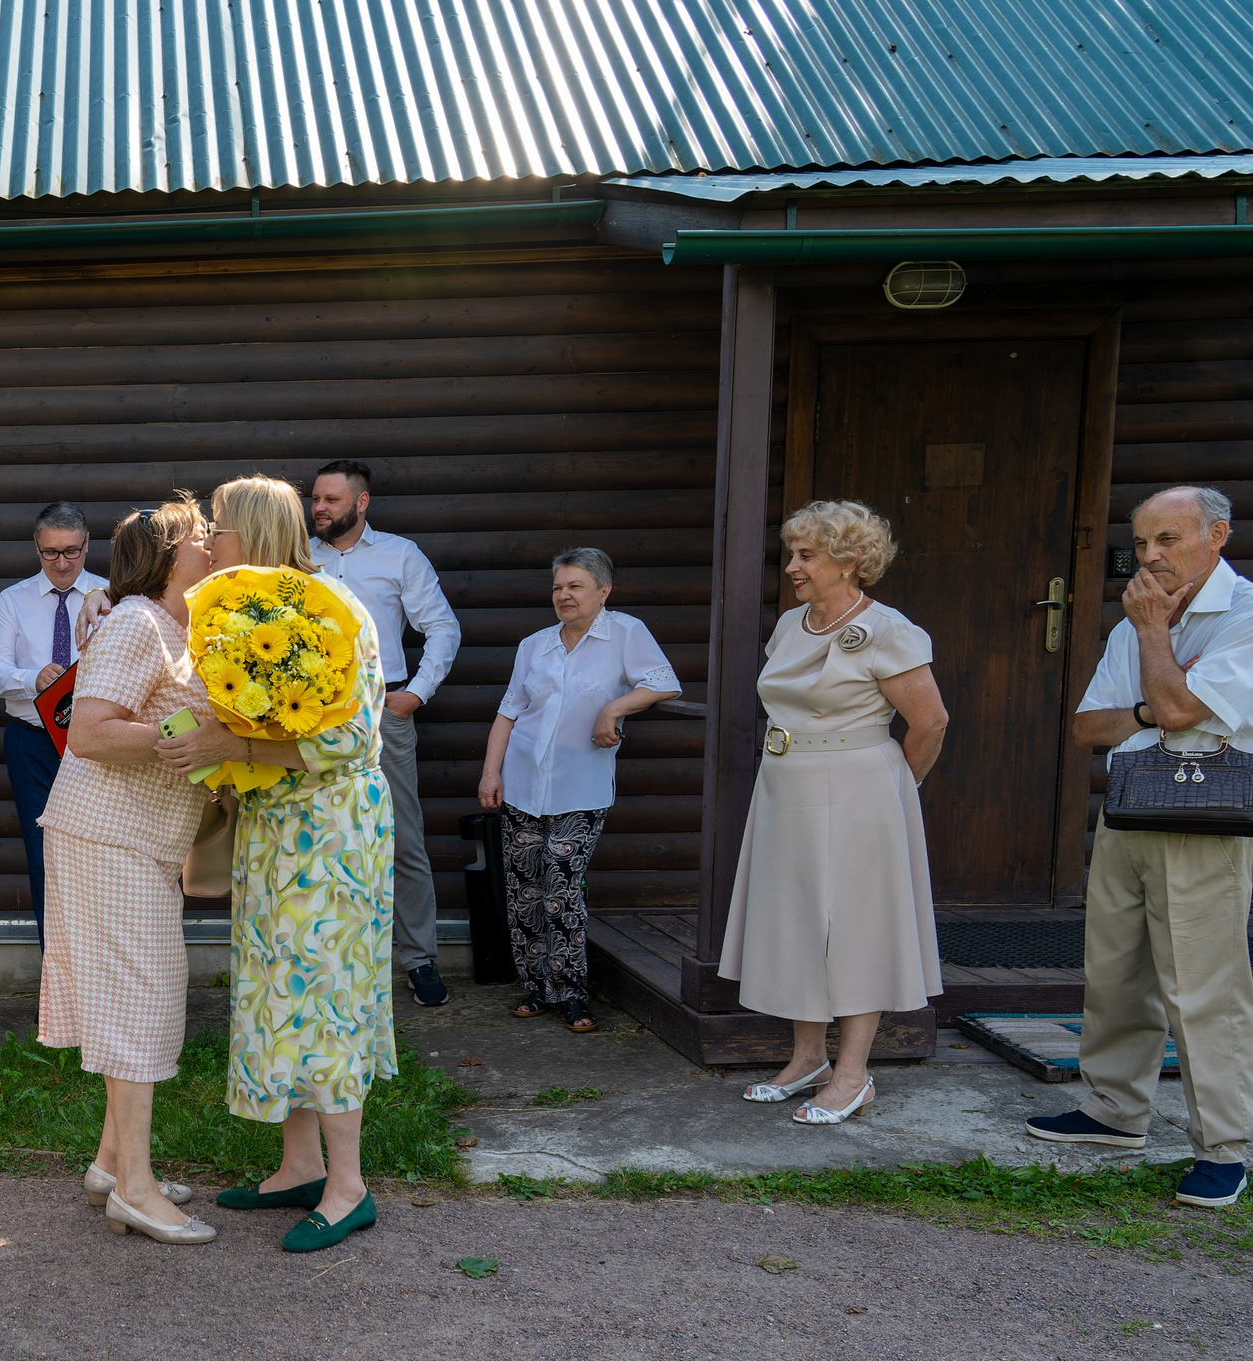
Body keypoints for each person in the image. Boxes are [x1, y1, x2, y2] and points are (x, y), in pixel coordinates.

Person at [155, 474, 397, 1254]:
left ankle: (348, 1183)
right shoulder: (249, 612)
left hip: (331, 833)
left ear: (253, 533)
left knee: (326, 990)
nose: (207, 539)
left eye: (218, 525)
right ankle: (298, 1165)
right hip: (274, 828)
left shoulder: (335, 612)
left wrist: (238, 746)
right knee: (281, 989)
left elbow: (352, 739)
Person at [1027, 486, 1253, 1209]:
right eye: (1141, 543)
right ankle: (1114, 1113)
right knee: (1114, 971)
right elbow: (1089, 729)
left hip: (1209, 826)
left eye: (1167, 540)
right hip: (1130, 813)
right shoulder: (1132, 623)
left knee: (1204, 989)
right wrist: (1153, 710)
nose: (1148, 557)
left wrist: (1152, 645)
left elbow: (1174, 707)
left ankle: (1223, 1149)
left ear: (1217, 535)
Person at [720, 500, 949, 1124]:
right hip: (785, 785)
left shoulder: (889, 629)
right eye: (792, 553)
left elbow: (930, 723)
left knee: (855, 927)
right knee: (794, 917)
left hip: (860, 789)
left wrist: (897, 792)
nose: (792, 566)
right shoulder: (792, 624)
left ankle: (853, 1073)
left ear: (849, 562)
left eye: (806, 555)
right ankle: (807, 1060)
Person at [38, 499, 219, 1245]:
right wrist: (193, 737)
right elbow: (88, 729)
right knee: (139, 999)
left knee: (138, 994)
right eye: (203, 537)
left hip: (135, 838)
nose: (214, 545)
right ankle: (137, 1191)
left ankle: (113, 1165)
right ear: (172, 553)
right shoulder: (138, 620)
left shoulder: (178, 627)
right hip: (105, 835)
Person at [478, 549, 680, 1032]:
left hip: (581, 791)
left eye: (575, 586)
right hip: (523, 787)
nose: (564, 596)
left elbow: (663, 682)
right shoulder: (535, 645)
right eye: (558, 588)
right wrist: (491, 772)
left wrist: (612, 710)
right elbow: (509, 712)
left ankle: (572, 993)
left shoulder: (625, 633)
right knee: (524, 891)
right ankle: (538, 988)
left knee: (560, 891)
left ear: (603, 592)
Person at [309, 460, 461, 1009]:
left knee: (401, 836)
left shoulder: (400, 554)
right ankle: (332, 957)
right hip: (313, 715)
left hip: (383, 712)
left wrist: (415, 694)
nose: (320, 507)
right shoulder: (300, 558)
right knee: (321, 835)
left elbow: (441, 626)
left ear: (361, 502)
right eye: (316, 499)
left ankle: (419, 958)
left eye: (330, 499)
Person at [0, 501, 108, 944]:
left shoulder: (111, 598)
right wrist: (30, 678)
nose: (61, 563)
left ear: (88, 544)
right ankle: (56, 982)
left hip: (95, 744)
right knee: (43, 859)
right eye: (50, 553)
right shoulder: (12, 601)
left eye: (71, 552)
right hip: (31, 743)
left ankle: (97, 974)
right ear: (36, 548)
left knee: (97, 856)